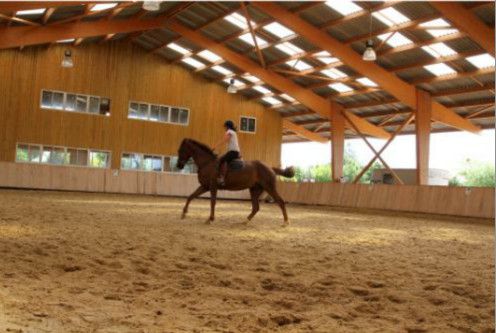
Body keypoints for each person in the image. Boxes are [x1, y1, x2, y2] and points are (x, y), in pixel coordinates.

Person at [213, 120, 240, 186]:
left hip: (233, 152)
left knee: (221, 160)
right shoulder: (233, 132)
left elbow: (225, 140)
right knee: (222, 158)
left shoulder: (230, 131)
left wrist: (215, 147)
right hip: (234, 151)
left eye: (225, 127)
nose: (225, 128)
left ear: (227, 126)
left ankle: (222, 178)